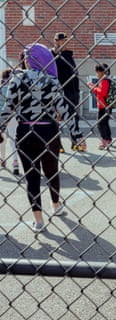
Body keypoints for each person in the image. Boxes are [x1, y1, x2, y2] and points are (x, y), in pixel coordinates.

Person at [0, 43, 77, 233]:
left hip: (25, 132)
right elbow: (63, 110)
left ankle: (38, 220)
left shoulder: (16, 81)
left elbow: (8, 108)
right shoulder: (52, 81)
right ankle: (56, 204)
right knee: (52, 171)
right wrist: (76, 135)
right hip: (48, 131)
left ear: (28, 60)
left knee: (31, 177)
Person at [52, 32, 86, 152]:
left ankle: (74, 142)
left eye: (66, 41)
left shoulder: (68, 55)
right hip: (59, 91)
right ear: (56, 41)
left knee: (73, 117)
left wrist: (76, 91)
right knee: (57, 118)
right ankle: (58, 144)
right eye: (62, 41)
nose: (64, 43)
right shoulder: (52, 55)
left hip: (72, 91)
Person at [88, 63, 112, 150]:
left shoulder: (104, 81)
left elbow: (103, 92)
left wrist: (93, 87)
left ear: (102, 72)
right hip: (106, 105)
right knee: (105, 123)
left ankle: (104, 140)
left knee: (100, 124)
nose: (96, 74)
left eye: (97, 72)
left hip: (103, 106)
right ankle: (108, 139)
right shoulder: (106, 80)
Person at [0, 68, 20, 175]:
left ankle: (2, 159)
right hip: (14, 115)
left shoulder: (1, 88)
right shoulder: (16, 88)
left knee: (2, 139)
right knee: (13, 139)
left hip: (2, 116)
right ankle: (15, 162)